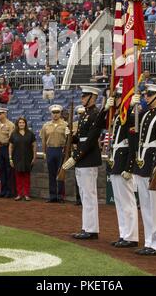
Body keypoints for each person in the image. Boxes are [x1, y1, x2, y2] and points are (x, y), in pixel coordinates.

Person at [130, 84, 156, 256]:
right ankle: (149, 241)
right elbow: (132, 130)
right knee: (145, 205)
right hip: (142, 161)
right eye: (145, 94)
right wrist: (132, 108)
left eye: (150, 94)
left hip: (154, 161)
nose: (146, 97)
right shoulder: (146, 114)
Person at [62, 86, 101, 240]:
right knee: (85, 195)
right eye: (82, 96)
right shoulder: (85, 114)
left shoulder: (95, 114)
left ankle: (91, 229)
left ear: (93, 97)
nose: (82, 98)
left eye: (85, 96)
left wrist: (75, 156)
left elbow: (91, 141)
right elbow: (81, 137)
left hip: (88, 157)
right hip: (83, 157)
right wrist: (71, 136)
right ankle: (87, 226)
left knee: (89, 195)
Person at [104, 84, 139, 248]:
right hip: (115, 160)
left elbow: (133, 144)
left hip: (123, 161)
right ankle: (124, 233)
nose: (116, 100)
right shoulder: (118, 116)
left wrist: (129, 167)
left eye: (118, 97)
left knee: (127, 201)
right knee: (119, 201)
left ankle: (131, 236)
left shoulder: (130, 116)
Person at [40, 105, 67, 203]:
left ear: (60, 113)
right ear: (51, 114)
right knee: (51, 174)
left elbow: (68, 140)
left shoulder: (65, 125)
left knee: (61, 174)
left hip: (61, 150)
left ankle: (60, 196)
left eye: (57, 112)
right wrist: (44, 152)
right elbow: (43, 140)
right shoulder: (46, 126)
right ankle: (52, 196)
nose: (55, 114)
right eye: (53, 112)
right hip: (50, 150)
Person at [9, 117, 37, 201]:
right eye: (20, 122)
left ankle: (27, 194)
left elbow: (34, 145)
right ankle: (19, 194)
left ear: (25, 124)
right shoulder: (13, 134)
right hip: (16, 158)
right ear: (17, 124)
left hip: (28, 158)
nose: (21, 124)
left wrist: (34, 157)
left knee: (26, 177)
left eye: (23, 123)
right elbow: (10, 147)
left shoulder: (30, 133)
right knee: (18, 177)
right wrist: (10, 158)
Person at [0, 107, 15, 198]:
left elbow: (11, 139)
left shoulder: (10, 125)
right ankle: (3, 190)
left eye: (0, 114)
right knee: (1, 170)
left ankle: (9, 191)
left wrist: (1, 142)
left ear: (5, 114)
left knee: (8, 170)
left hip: (7, 148)